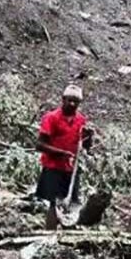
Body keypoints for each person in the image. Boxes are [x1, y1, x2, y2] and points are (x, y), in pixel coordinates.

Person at [35, 84, 93, 230]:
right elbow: (40, 145)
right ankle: (49, 233)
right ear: (63, 99)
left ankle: (66, 234)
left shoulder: (81, 120)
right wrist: (60, 153)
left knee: (71, 204)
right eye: (69, 100)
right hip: (52, 167)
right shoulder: (51, 117)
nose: (72, 104)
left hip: (71, 169)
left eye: (76, 102)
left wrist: (89, 137)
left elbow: (85, 147)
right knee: (51, 203)